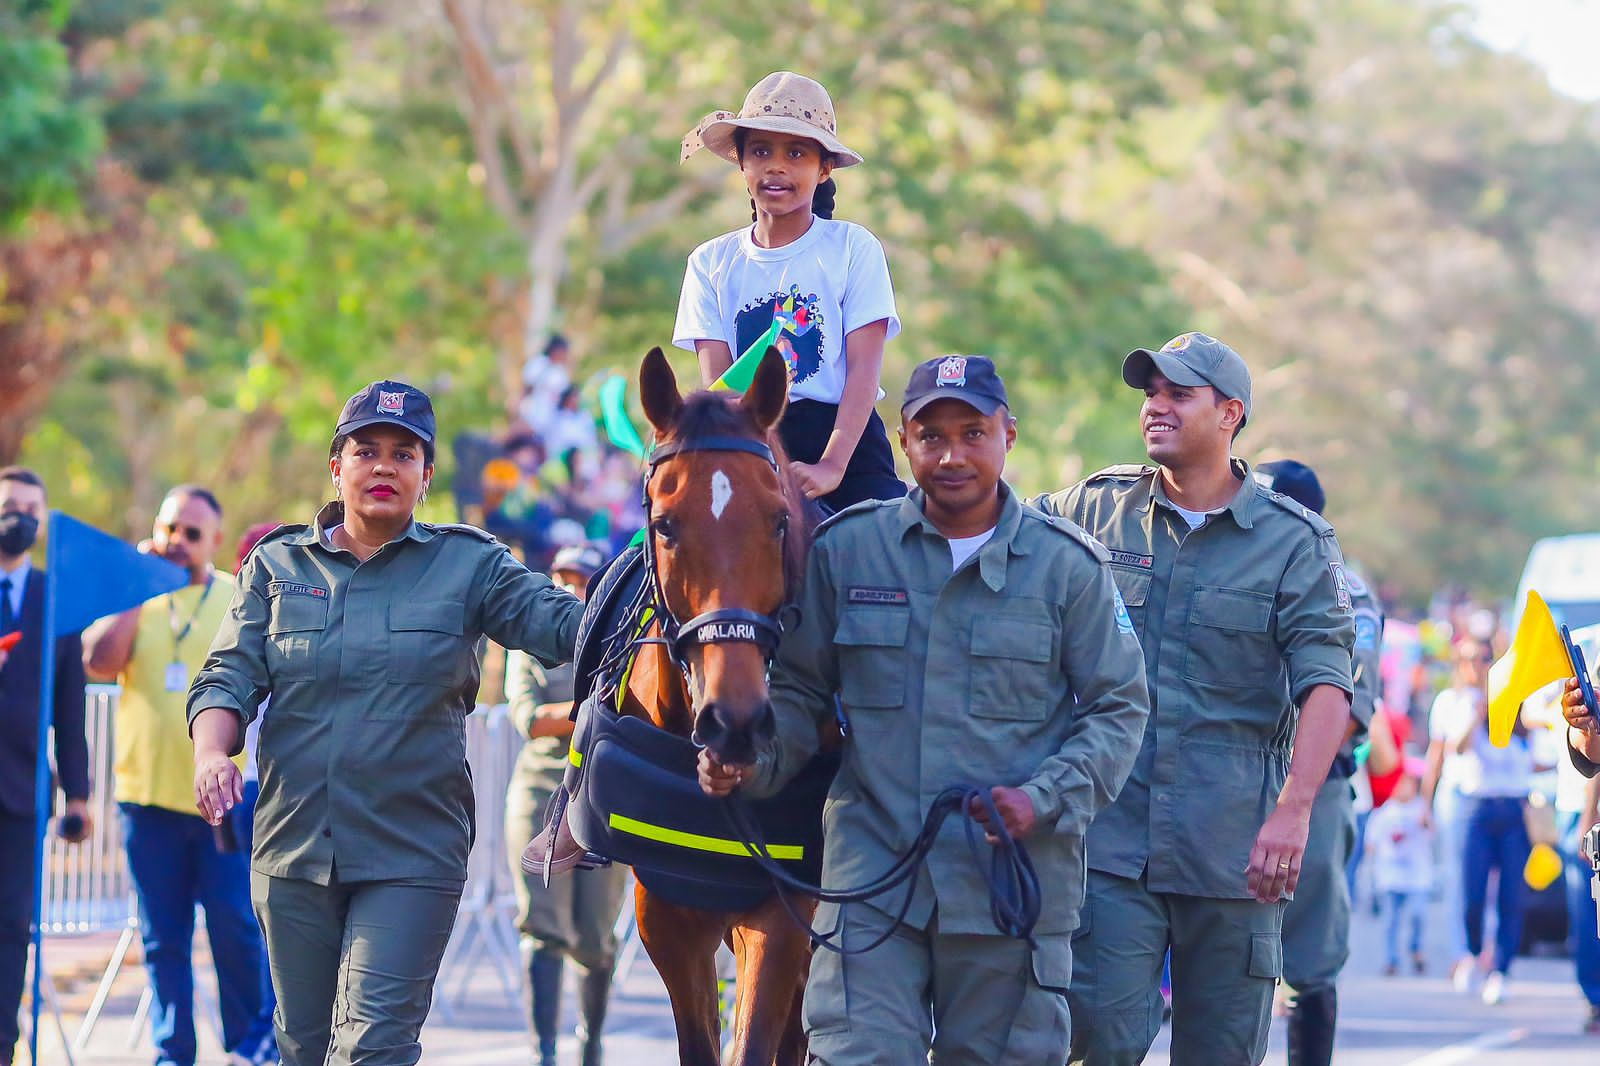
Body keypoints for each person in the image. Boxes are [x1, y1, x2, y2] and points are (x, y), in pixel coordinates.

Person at [698, 355, 1151, 1062]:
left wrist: (1042, 799)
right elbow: (797, 692)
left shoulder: (1069, 567)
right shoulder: (849, 552)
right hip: (874, 890)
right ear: (903, 442)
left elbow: (1119, 709)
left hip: (1009, 893)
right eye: (930, 436)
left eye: (973, 433)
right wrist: (749, 759)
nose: (952, 455)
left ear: (1009, 435)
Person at [186, 380, 584, 1066]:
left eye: (404, 455)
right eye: (366, 450)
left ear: (425, 477)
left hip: (411, 851)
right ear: (335, 467)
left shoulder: (471, 564)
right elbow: (227, 677)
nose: (383, 467)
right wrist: (211, 755)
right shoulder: (278, 567)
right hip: (294, 850)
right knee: (303, 1048)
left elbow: (569, 626)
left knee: (374, 1049)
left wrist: (668, 565)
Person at [1031, 332, 1357, 1066]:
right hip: (1109, 843)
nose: (1156, 407)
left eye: (1179, 394)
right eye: (1151, 393)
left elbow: (1328, 684)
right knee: (1095, 1043)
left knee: (1220, 1053)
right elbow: (987, 531)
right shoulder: (1091, 510)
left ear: (1230, 413)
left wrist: (1295, 811)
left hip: (1237, 853)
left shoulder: (1294, 542)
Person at [83, 485, 275, 1066]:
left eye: (192, 534)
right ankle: (175, 1051)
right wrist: (140, 590)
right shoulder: (136, 597)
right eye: (170, 529)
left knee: (234, 929)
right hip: (146, 802)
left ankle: (251, 1042)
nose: (177, 542)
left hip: (221, 803)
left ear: (214, 541)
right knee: (162, 939)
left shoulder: (234, 599)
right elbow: (97, 660)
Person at [675, 70, 905, 510]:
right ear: (741, 163)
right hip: (750, 440)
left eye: (796, 153)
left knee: (895, 553)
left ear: (824, 169)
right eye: (760, 151)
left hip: (845, 444)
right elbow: (721, 389)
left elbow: (862, 373)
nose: (776, 166)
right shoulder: (709, 262)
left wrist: (831, 465)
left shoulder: (853, 248)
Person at [1253, 459, 1384, 1066]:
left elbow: (1348, 710)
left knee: (1308, 959)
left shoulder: (1346, 592)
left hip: (1313, 790)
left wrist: (1293, 795)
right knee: (1225, 955)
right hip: (1230, 779)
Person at [504, 543, 626, 1066]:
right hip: (543, 794)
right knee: (543, 926)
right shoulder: (530, 641)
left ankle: (590, 1047)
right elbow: (529, 717)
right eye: (563, 575)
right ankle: (544, 1053)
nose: (573, 587)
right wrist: (591, 711)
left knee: (597, 935)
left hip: (605, 798)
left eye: (583, 578)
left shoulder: (622, 639)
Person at [0, 467, 90, 1066]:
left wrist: (78, 796)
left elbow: (71, 708)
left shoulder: (56, 599)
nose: (21, 517)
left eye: (33, 507)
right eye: (10, 505)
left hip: (21, 792)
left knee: (10, 928)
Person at [1455, 695, 1545, 1004]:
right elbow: (1457, 747)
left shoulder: (1525, 732)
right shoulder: (1480, 726)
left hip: (1515, 815)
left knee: (1511, 897)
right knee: (1474, 894)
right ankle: (1474, 952)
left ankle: (1501, 971)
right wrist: (1479, 715)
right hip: (1480, 811)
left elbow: (1541, 763)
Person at [1422, 638, 1494, 991]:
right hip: (1456, 794)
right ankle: (1461, 951)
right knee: (1457, 878)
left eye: (1482, 659)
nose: (1475, 666)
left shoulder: (1501, 698)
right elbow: (1443, 751)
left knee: (1487, 882)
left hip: (1491, 797)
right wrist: (1425, 801)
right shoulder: (1449, 701)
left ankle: (1487, 952)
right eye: (1467, 659)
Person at [1365, 759, 1432, 977]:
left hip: (1417, 876)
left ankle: (1416, 949)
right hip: (1390, 876)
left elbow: (1431, 832)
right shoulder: (1384, 813)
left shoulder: (1421, 810)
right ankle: (1391, 959)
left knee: (1417, 915)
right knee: (1390, 921)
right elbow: (1371, 845)